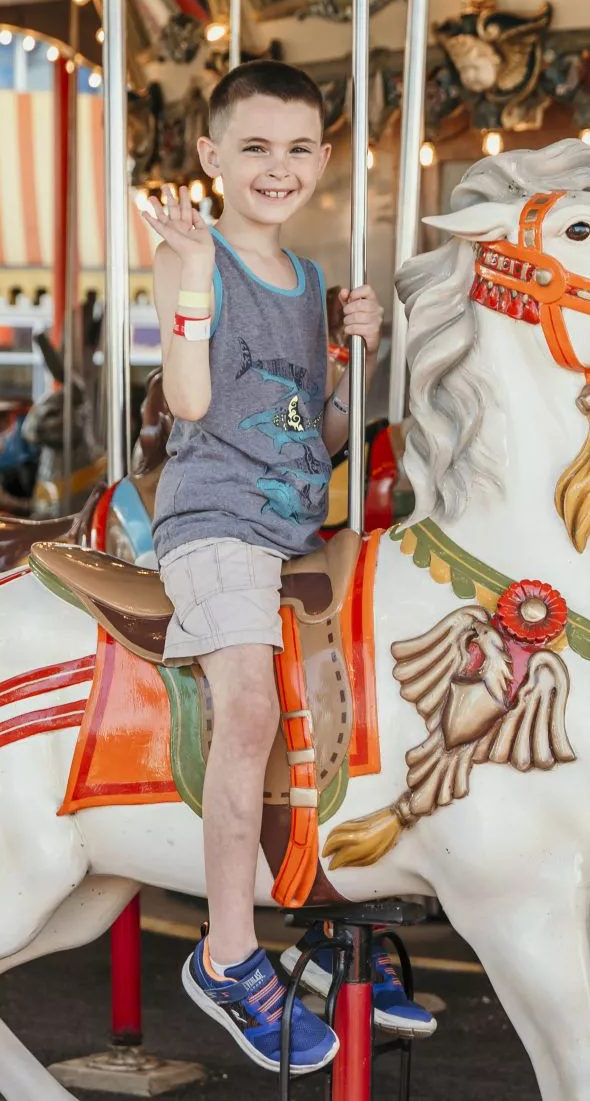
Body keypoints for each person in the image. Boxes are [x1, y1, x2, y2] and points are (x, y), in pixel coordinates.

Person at [137, 61, 430, 1074]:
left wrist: (360, 355)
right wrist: (180, 275)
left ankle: (337, 888)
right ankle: (225, 952)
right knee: (251, 710)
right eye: (254, 147)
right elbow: (186, 399)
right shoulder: (196, 258)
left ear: (323, 159)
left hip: (300, 523)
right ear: (213, 157)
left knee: (386, 672)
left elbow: (321, 429)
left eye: (299, 148)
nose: (279, 167)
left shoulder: (309, 281)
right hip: (217, 519)